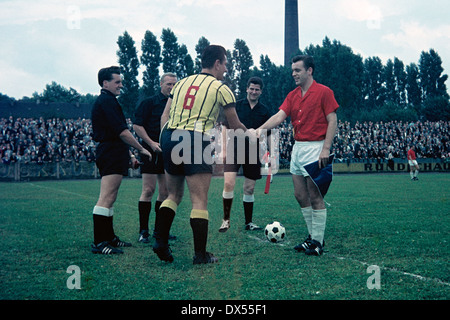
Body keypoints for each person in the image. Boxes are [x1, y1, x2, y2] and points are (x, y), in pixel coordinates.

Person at [155, 45, 253, 264]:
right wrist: (252, 136)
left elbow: (165, 115)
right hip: (196, 139)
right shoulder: (221, 88)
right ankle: (200, 255)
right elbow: (235, 124)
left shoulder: (180, 83)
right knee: (199, 200)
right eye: (225, 64)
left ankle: (160, 240)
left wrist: (165, 141)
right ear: (217, 63)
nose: (226, 69)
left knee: (173, 195)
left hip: (171, 136)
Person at [256, 55, 339, 256]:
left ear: (309, 70)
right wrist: (261, 129)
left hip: (316, 147)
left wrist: (326, 149)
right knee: (300, 195)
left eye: (297, 70)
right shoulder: (293, 95)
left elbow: (332, 120)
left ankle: (318, 241)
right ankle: (313, 237)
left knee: (315, 196)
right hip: (298, 148)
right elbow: (280, 116)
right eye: (292, 70)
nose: (293, 73)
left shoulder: (324, 92)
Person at [90, 66, 152, 255]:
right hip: (109, 151)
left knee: (111, 196)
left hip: (114, 151)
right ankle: (100, 242)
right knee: (106, 197)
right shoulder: (106, 101)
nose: (120, 85)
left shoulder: (109, 101)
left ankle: (109, 238)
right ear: (105, 83)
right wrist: (140, 149)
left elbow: (118, 134)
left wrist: (130, 155)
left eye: (121, 81)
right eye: (117, 82)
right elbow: (122, 132)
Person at [219, 76, 272, 233]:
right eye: (251, 88)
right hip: (233, 149)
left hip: (253, 151)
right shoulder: (236, 107)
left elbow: (268, 133)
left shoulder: (265, 111)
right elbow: (224, 127)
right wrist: (222, 149)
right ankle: (226, 220)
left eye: (257, 89)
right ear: (246, 89)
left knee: (249, 188)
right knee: (228, 184)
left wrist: (271, 153)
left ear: (260, 92)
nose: (254, 92)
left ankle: (249, 222)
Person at [133, 73, 178, 243]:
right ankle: (143, 231)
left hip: (168, 151)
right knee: (148, 190)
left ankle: (160, 231)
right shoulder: (149, 102)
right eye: (168, 84)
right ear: (161, 84)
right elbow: (137, 126)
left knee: (166, 192)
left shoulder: (177, 105)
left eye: (174, 84)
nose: (172, 87)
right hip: (149, 151)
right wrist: (151, 143)